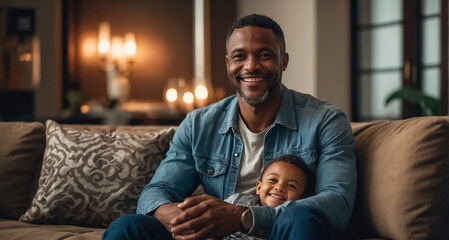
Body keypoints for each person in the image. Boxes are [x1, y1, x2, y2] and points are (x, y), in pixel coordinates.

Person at [103, 13, 356, 240]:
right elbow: (159, 189)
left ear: (284, 61)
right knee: (127, 228)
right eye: (239, 57)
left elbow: (337, 203)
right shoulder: (198, 123)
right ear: (227, 64)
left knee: (302, 219)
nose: (251, 66)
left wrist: (244, 217)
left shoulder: (326, 120)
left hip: (277, 232)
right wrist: (171, 214)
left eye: (265, 55)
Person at [223, 155, 315, 240]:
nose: (279, 187)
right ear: (259, 187)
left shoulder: (291, 226)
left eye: (291, 186)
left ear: (302, 200)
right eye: (273, 180)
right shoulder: (236, 200)